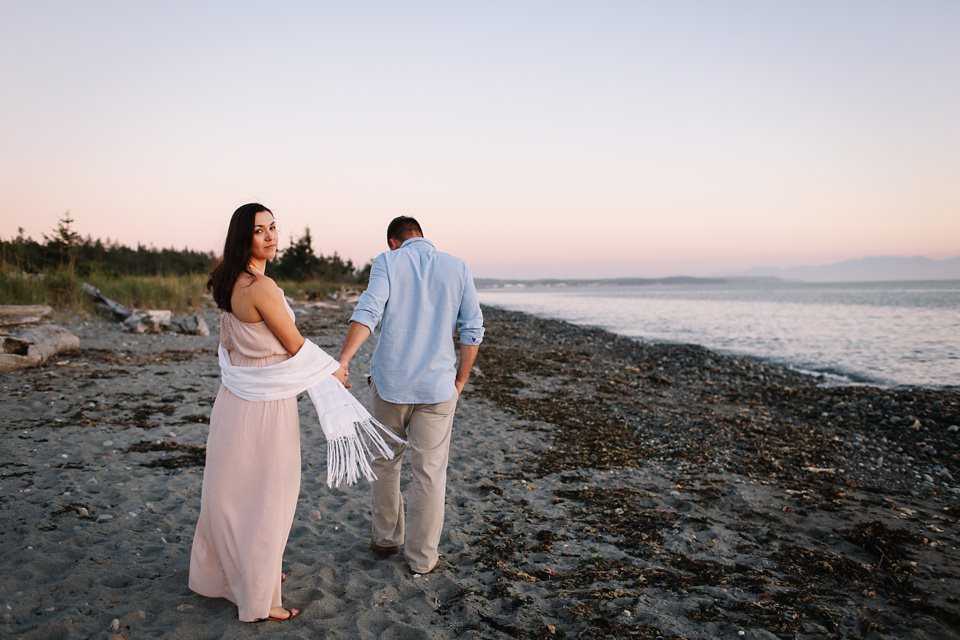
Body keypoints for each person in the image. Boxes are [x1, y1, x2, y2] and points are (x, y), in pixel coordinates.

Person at [188, 203, 347, 622]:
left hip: (235, 398)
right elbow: (294, 344)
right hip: (265, 404)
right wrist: (335, 370)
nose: (271, 236)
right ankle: (261, 598)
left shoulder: (227, 282)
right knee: (268, 496)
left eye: (274, 227)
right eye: (260, 231)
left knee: (231, 492)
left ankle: (224, 576)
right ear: (245, 238)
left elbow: (236, 345)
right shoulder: (263, 287)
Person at [337, 216, 484, 574]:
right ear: (422, 236)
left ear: (393, 241)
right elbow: (473, 329)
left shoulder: (388, 261)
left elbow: (369, 310)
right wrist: (461, 378)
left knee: (386, 464)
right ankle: (422, 559)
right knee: (430, 473)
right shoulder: (457, 267)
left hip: (391, 385)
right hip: (437, 387)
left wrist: (344, 359)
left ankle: (387, 539)